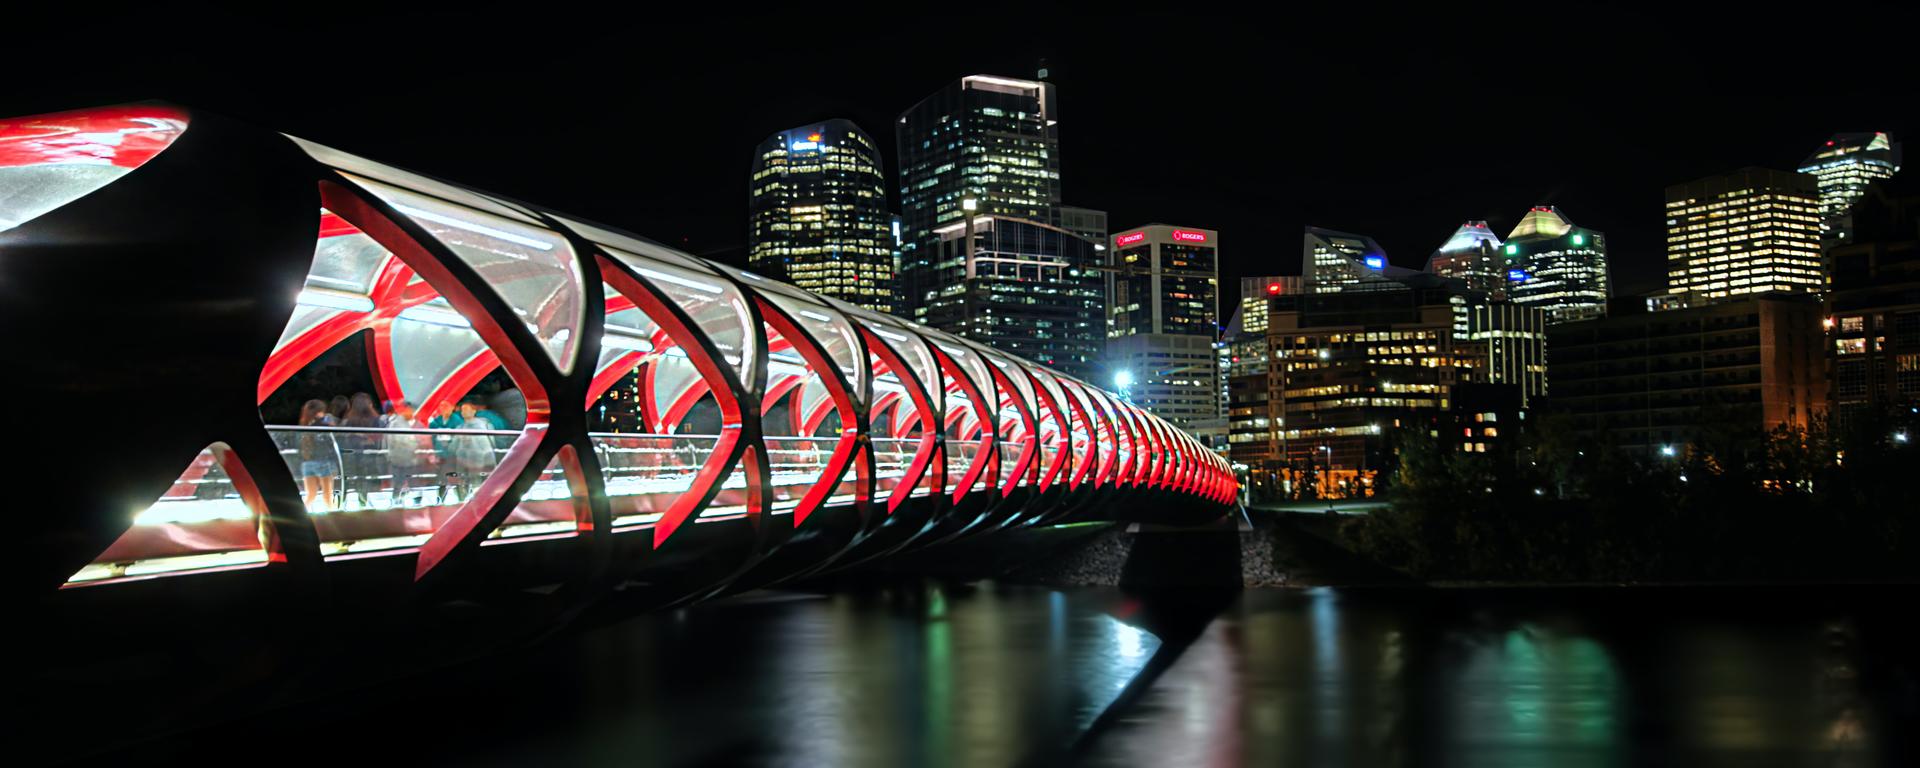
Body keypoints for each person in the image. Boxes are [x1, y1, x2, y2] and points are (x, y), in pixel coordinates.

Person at [445, 399, 500, 503]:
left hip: (481, 461)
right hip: (463, 462)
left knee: (478, 484)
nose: (463, 412)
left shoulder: (484, 425)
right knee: (464, 484)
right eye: (462, 410)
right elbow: (452, 448)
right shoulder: (459, 428)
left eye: (466, 409)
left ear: (474, 411)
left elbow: (490, 443)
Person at [338, 393, 383, 509]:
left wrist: (358, 436)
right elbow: (380, 436)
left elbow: (345, 436)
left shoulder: (349, 419)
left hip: (354, 454)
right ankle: (369, 502)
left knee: (357, 477)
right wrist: (367, 439)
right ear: (369, 404)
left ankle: (358, 501)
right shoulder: (376, 419)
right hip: (372, 453)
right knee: (371, 476)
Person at [383, 400, 430, 507]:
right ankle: (396, 504)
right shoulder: (395, 424)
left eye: (409, 410)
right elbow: (389, 441)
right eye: (405, 410)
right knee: (398, 483)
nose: (407, 412)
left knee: (415, 483)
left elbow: (425, 443)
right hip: (398, 460)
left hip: (415, 461)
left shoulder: (420, 426)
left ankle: (417, 504)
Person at [296, 399, 339, 511]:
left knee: (310, 495)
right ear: (319, 411)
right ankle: (334, 522)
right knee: (327, 497)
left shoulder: (304, 425)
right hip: (324, 462)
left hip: (307, 464)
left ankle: (301, 516)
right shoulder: (324, 424)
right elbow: (332, 441)